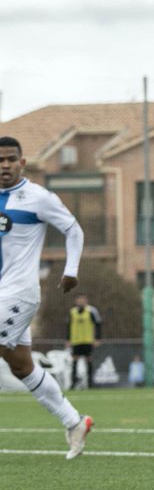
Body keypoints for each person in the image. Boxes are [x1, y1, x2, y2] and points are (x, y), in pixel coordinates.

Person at [0, 136, 94, 459]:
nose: (5, 165)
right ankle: (75, 421)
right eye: (0, 160)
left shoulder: (37, 198)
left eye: (11, 159)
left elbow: (74, 230)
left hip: (19, 293)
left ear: (22, 162)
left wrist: (71, 269)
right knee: (22, 366)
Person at [67, 292, 102, 389]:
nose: (81, 301)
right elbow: (68, 326)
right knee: (74, 361)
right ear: (76, 301)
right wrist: (68, 339)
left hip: (87, 340)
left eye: (83, 299)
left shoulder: (91, 311)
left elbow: (98, 324)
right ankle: (73, 383)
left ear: (86, 300)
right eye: (79, 299)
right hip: (76, 341)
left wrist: (97, 338)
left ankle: (90, 384)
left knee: (89, 361)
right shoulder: (72, 312)